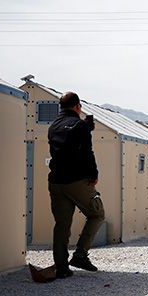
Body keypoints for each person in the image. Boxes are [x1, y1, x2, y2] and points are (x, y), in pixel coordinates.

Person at [47, 92, 106, 278]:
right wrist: (94, 174)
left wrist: (84, 129)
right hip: (76, 181)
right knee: (97, 214)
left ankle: (62, 267)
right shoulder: (80, 126)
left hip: (56, 181)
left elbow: (65, 144)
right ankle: (80, 255)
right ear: (78, 106)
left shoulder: (53, 126)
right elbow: (87, 153)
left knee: (62, 225)